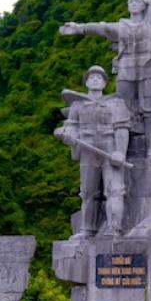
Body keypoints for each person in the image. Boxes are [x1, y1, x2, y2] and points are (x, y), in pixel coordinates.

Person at [59, 0, 151, 162]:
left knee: (150, 109)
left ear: (144, 5)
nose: (134, 3)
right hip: (126, 68)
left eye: (137, 0)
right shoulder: (122, 26)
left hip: (148, 66)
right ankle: (123, 147)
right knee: (123, 108)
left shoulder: (150, 23)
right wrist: (78, 28)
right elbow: (100, 27)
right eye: (130, 0)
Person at [55, 66, 130, 238]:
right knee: (88, 192)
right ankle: (87, 229)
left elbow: (122, 128)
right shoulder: (77, 105)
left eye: (99, 78)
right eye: (92, 77)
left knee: (115, 189)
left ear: (104, 83)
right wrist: (68, 135)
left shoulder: (116, 102)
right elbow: (71, 126)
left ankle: (114, 227)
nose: (95, 80)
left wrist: (121, 152)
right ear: (87, 82)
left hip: (109, 145)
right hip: (87, 147)